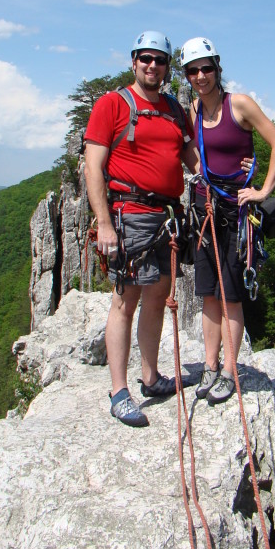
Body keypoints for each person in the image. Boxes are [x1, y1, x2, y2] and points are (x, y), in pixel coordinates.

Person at [84, 31, 198, 427]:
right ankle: (119, 392)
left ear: (167, 68)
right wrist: (103, 223)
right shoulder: (112, 104)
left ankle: (150, 377)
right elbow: (92, 167)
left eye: (160, 60)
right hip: (128, 215)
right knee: (124, 302)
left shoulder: (172, 109)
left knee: (156, 299)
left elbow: (190, 156)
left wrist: (223, 181)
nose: (152, 65)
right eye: (145, 58)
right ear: (133, 62)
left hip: (166, 218)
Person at [181, 36, 275, 405]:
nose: (201, 76)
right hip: (206, 208)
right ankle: (209, 368)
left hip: (237, 210)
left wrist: (261, 189)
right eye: (193, 70)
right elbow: (187, 149)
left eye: (206, 68)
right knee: (208, 294)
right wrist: (199, 176)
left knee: (231, 297)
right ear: (187, 75)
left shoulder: (238, 105)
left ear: (217, 68)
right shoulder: (194, 110)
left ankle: (229, 371)